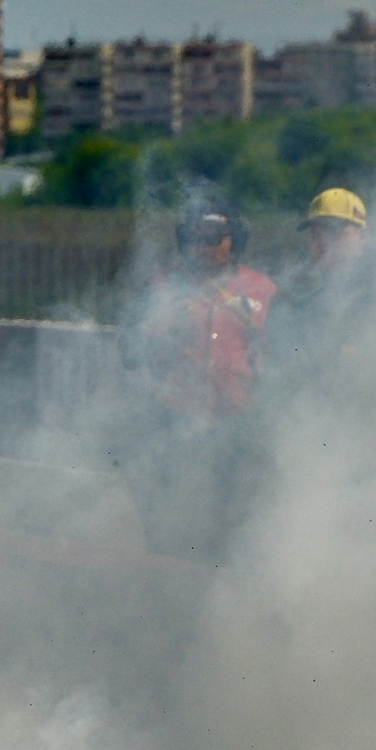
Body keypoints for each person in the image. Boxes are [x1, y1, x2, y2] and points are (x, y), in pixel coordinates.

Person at [117, 212, 279, 557]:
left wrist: (265, 347)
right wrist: (154, 330)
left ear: (233, 240)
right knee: (168, 521)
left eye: (214, 238)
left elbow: (288, 355)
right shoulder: (162, 286)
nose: (203, 247)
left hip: (237, 422)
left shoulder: (263, 290)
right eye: (196, 238)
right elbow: (129, 352)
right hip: (174, 419)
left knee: (233, 524)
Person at [264, 186, 376, 379]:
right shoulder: (293, 293)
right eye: (315, 234)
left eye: (333, 232)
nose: (323, 241)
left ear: (363, 235)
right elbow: (279, 354)